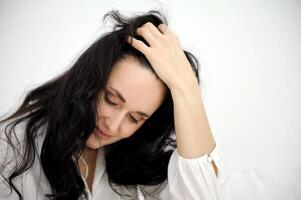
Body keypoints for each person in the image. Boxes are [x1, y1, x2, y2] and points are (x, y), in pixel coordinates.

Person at [0, 10, 225, 200]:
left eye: (135, 118)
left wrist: (187, 90)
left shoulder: (136, 153)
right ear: (88, 79)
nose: (113, 125)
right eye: (111, 100)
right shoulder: (10, 149)